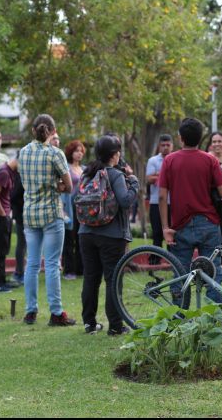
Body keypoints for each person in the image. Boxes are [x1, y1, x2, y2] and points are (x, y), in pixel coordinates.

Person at [158, 118, 222, 304]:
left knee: (179, 274)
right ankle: (214, 318)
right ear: (200, 138)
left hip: (180, 225)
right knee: (213, 272)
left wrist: (165, 227)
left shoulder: (169, 160)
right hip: (208, 223)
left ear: (180, 138)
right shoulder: (210, 160)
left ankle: (179, 316)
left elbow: (161, 197)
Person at [78, 135, 139, 335]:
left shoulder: (87, 173)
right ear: (115, 155)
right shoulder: (115, 174)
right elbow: (124, 201)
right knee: (113, 279)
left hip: (86, 232)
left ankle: (89, 323)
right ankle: (115, 326)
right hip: (111, 235)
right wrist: (134, 184)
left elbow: (76, 199)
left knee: (90, 278)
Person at [19, 114, 76, 326]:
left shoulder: (23, 153)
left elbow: (25, 182)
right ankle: (56, 312)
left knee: (32, 264)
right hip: (51, 213)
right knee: (52, 264)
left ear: (33, 130)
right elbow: (69, 187)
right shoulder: (55, 154)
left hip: (30, 213)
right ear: (52, 131)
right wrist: (56, 186)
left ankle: (30, 311)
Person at [0, 158, 19, 293]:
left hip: (4, 215)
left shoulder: (8, 172)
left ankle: (2, 280)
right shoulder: (4, 173)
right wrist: (2, 214)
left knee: (3, 250)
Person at [62, 140, 86, 280]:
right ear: (71, 152)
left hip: (83, 210)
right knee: (69, 240)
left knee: (81, 239)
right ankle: (69, 270)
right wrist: (63, 210)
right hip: (69, 208)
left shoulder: (84, 168)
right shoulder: (66, 168)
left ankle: (80, 269)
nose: (79, 153)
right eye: (76, 151)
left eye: (81, 151)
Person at [146, 135, 173, 249]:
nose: (165, 147)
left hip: (173, 203)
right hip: (155, 202)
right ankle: (154, 262)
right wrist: (167, 175)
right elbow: (149, 179)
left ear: (172, 146)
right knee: (157, 233)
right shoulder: (152, 160)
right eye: (163, 145)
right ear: (159, 146)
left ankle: (173, 262)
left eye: (168, 145)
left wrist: (158, 174)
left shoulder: (175, 159)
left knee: (172, 233)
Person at [10, 161, 26, 286]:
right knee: (22, 244)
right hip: (22, 214)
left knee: (24, 244)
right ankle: (19, 272)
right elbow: (14, 196)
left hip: (24, 214)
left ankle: (21, 272)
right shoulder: (20, 176)